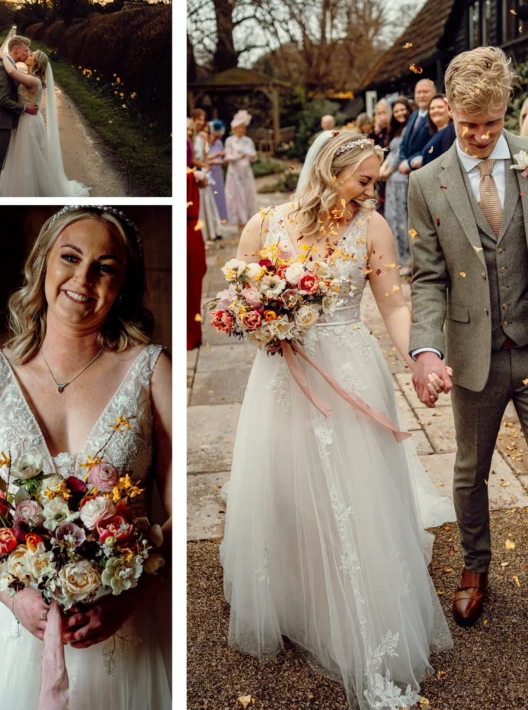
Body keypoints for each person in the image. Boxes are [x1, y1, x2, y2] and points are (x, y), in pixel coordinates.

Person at [222, 130, 453, 710]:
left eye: (374, 183)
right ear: (329, 169)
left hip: (349, 370)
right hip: (282, 373)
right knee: (286, 485)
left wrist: (420, 358)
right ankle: (299, 591)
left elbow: (394, 303)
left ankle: (360, 612)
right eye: (364, 180)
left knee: (353, 491)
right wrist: (260, 324)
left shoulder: (370, 228)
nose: (371, 193)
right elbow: (239, 301)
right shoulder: (264, 226)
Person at [0, 207, 172, 709]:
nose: (83, 278)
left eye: (105, 267)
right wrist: (17, 599)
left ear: (123, 285)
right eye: (70, 257)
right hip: (16, 630)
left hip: (132, 626)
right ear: (42, 264)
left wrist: (130, 597)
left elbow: (181, 507)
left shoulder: (151, 372)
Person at [408, 46, 528, 629]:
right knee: (469, 469)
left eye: (492, 123)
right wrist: (425, 350)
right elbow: (428, 278)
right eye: (467, 124)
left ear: (508, 108)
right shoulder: (427, 183)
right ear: (447, 108)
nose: (480, 137)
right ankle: (476, 565)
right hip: (473, 355)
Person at [0, 50, 90, 197]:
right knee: (26, 157)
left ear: (37, 63)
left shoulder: (34, 81)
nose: (28, 55)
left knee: (30, 158)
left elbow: (12, 72)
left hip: (29, 123)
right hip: (26, 119)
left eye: (31, 55)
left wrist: (3, 56)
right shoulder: (30, 77)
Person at [0, 34, 39, 197]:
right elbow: (4, 100)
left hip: (3, 120)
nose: (27, 54)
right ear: (15, 49)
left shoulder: (6, 65)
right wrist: (25, 108)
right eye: (25, 51)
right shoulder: (2, 68)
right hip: (0, 121)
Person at [380, 98, 414, 275]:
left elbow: (401, 154)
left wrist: (387, 171)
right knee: (392, 217)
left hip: (401, 178)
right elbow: (391, 152)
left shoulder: (411, 128)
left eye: (403, 110)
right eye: (397, 111)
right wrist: (382, 169)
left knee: (403, 218)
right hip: (392, 181)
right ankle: (398, 258)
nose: (400, 113)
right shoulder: (396, 130)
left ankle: (408, 260)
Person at [187, 119, 208, 350]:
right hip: (187, 226)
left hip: (191, 227)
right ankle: (190, 334)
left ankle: (192, 333)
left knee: (192, 283)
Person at [192, 109, 221, 242]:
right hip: (197, 170)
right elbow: (192, 157)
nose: (202, 122)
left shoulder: (201, 137)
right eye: (200, 119)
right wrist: (203, 165)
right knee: (202, 203)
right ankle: (204, 233)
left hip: (203, 170)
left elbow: (204, 155)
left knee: (208, 202)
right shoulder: (193, 138)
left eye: (204, 120)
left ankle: (211, 232)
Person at [225, 110, 257, 227]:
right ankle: (239, 219)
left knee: (248, 193)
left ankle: (248, 218)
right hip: (234, 172)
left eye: (242, 128)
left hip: (246, 172)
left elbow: (254, 155)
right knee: (236, 195)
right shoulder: (230, 141)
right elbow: (227, 157)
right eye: (238, 128)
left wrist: (252, 156)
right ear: (234, 129)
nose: (241, 130)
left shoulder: (248, 141)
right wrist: (240, 155)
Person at [396, 79, 435, 174]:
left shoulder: (436, 115)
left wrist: (409, 163)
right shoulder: (413, 115)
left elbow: (433, 144)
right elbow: (404, 142)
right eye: (418, 92)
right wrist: (402, 161)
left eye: (425, 92)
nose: (421, 95)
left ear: (434, 93)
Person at [370, 99, 391, 215]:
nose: (382, 116)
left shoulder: (392, 130)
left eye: (384, 113)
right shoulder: (378, 131)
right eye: (379, 113)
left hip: (387, 171)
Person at [421, 94, 455, 166]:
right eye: (432, 108)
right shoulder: (433, 134)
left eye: (440, 107)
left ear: (449, 109)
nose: (436, 110)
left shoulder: (451, 131)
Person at [207, 120, 228, 225]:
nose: (216, 138)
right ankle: (212, 220)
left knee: (219, 196)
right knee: (211, 196)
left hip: (218, 173)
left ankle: (221, 218)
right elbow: (202, 159)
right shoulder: (205, 143)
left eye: (218, 136)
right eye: (214, 135)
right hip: (209, 173)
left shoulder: (219, 143)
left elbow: (223, 157)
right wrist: (214, 159)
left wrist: (224, 161)